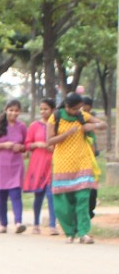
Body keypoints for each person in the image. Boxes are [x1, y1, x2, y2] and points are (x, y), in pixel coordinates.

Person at [47, 93, 107, 244]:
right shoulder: (55, 117)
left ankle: (83, 232)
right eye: (75, 109)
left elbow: (103, 124)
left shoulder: (82, 115)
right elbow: (49, 141)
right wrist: (67, 133)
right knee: (64, 202)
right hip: (62, 164)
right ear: (67, 106)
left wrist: (92, 126)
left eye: (79, 108)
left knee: (83, 198)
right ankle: (70, 231)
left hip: (82, 163)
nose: (78, 111)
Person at [0, 100, 27, 234]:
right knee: (1, 195)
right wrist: (4, 145)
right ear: (6, 110)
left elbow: (26, 144)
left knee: (15, 194)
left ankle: (18, 222)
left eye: (16, 111)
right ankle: (2, 224)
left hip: (15, 164)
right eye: (11, 110)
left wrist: (21, 148)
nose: (14, 113)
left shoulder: (22, 126)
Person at [23, 98, 57, 235]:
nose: (43, 111)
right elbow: (26, 144)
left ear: (53, 110)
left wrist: (53, 146)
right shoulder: (34, 126)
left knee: (51, 195)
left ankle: (53, 225)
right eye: (41, 109)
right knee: (39, 195)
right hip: (38, 162)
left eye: (46, 109)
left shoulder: (57, 125)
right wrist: (38, 144)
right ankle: (36, 224)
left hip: (53, 162)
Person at [81, 96, 101, 218]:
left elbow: (93, 145)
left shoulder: (91, 127)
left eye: (87, 111)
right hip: (77, 163)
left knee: (92, 191)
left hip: (90, 163)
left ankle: (89, 212)